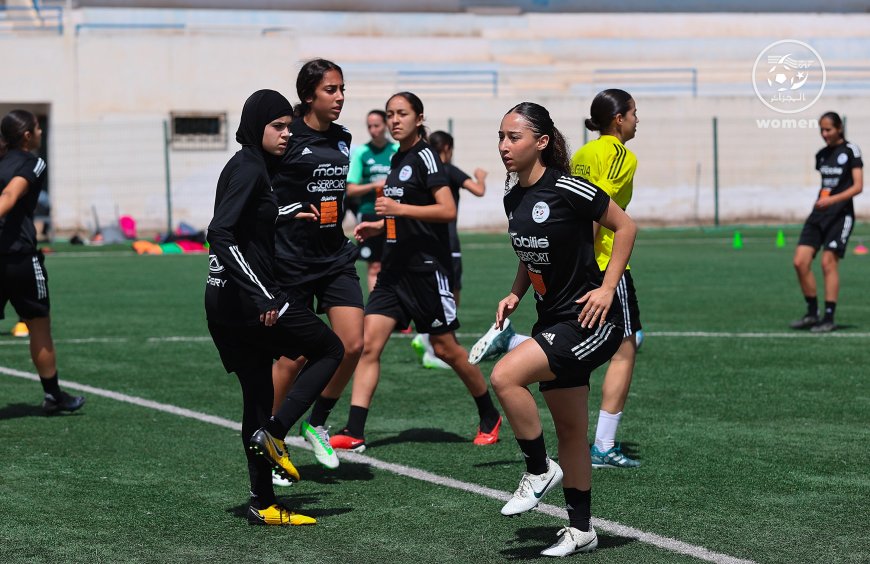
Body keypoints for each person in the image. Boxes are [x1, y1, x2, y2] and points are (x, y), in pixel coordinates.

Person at [489, 102, 636, 556]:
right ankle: (582, 529)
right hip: (551, 318)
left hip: (589, 320)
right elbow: (529, 250)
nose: (504, 146)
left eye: (514, 137)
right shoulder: (514, 197)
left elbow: (625, 226)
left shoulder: (571, 187)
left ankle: (538, 470)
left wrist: (608, 288)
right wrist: (516, 291)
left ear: (542, 142)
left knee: (504, 376)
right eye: (501, 136)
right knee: (572, 431)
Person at [329, 92, 502, 452]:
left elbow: (447, 210)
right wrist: (380, 226)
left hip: (425, 271)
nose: (394, 120)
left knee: (446, 349)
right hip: (393, 272)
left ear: (419, 118)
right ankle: (355, 430)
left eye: (402, 114)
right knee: (368, 346)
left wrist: (399, 209)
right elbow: (401, 211)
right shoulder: (398, 156)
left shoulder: (425, 156)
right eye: (390, 114)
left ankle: (490, 414)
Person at [205, 89, 345, 525]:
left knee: (259, 395)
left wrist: (285, 213)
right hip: (249, 301)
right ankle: (278, 433)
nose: (287, 134)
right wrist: (262, 294)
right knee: (330, 349)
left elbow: (247, 222)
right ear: (256, 127)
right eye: (278, 127)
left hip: (227, 301)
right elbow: (220, 233)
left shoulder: (253, 165)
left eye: (289, 126)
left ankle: (262, 503)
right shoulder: (249, 167)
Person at [270, 59, 364, 474]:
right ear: (309, 95)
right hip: (290, 262)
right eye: (331, 90)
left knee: (353, 344)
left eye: (342, 89)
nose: (340, 97)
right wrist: (286, 214)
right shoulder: (285, 136)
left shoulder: (344, 138)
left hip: (335, 257)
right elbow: (259, 196)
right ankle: (271, 440)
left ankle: (318, 421)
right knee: (292, 360)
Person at [0, 109, 85, 415]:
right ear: (27, 135)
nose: (40, 132)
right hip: (19, 259)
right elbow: (10, 196)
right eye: (37, 127)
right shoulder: (32, 161)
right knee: (39, 325)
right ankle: (52, 396)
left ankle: (54, 396)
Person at [410, 130, 487, 369]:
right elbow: (478, 191)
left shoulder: (423, 172)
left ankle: (425, 336)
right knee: (452, 294)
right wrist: (480, 176)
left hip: (424, 243)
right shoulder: (448, 170)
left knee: (431, 290)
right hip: (448, 244)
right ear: (447, 149)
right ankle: (434, 343)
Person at [791, 111, 863, 333]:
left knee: (827, 263)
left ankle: (829, 317)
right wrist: (823, 200)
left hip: (840, 215)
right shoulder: (821, 155)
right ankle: (812, 314)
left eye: (828, 130)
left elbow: (857, 186)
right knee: (800, 262)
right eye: (821, 130)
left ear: (839, 128)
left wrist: (832, 200)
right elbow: (826, 184)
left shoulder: (851, 151)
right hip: (819, 214)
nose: (824, 134)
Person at [346, 109, 398, 292]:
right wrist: (375, 185)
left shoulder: (397, 150)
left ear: (385, 125)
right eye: (369, 126)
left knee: (395, 262)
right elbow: (350, 189)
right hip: (370, 212)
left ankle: (399, 312)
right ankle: (377, 307)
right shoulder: (362, 152)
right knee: (374, 265)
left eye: (377, 125)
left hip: (394, 214)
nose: (373, 130)